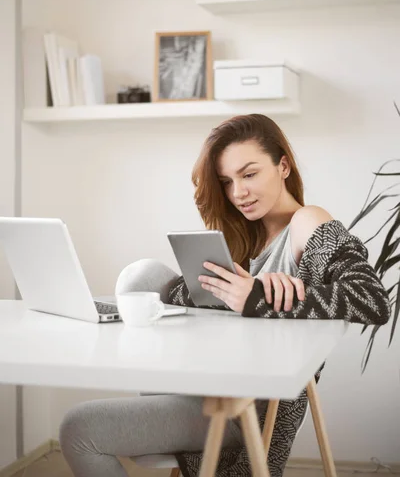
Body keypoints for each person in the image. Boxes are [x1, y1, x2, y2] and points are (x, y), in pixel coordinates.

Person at [59, 114, 390, 477]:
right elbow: (195, 301)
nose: (238, 193)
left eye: (249, 174)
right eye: (227, 181)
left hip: (242, 407)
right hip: (207, 376)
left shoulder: (307, 222)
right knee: (142, 276)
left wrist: (258, 295)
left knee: (78, 429)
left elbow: (372, 299)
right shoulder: (244, 237)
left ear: (283, 166)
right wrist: (226, 291)